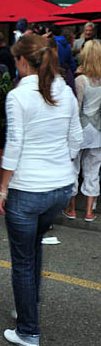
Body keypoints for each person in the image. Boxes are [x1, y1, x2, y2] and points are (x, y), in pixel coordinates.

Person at [0, 35, 82, 346]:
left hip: (28, 188)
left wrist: (2, 189)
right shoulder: (65, 90)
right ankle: (27, 304)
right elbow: (76, 140)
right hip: (60, 188)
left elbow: (14, 145)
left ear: (20, 61)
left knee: (22, 259)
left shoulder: (19, 96)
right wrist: (64, 170)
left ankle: (28, 329)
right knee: (34, 248)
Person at [64, 40, 101, 222]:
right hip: (98, 130)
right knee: (93, 170)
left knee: (73, 168)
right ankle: (89, 211)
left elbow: (76, 109)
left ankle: (71, 209)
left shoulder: (80, 80)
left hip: (80, 129)